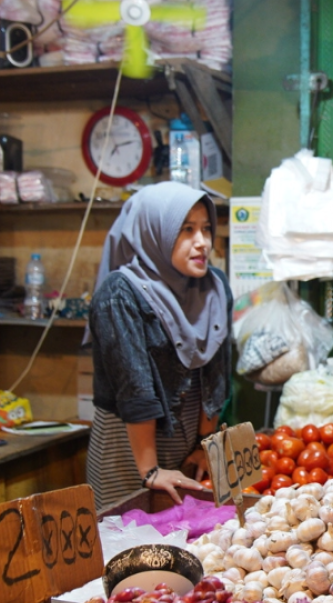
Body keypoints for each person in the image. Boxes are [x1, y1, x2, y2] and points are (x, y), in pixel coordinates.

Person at [86, 182, 233, 510]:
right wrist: (149, 470)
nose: (202, 242)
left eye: (207, 229)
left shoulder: (215, 286)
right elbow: (134, 389)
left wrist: (205, 445)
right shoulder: (120, 294)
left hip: (186, 450)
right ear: (156, 234)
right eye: (187, 230)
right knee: (132, 546)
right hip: (129, 454)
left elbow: (216, 374)